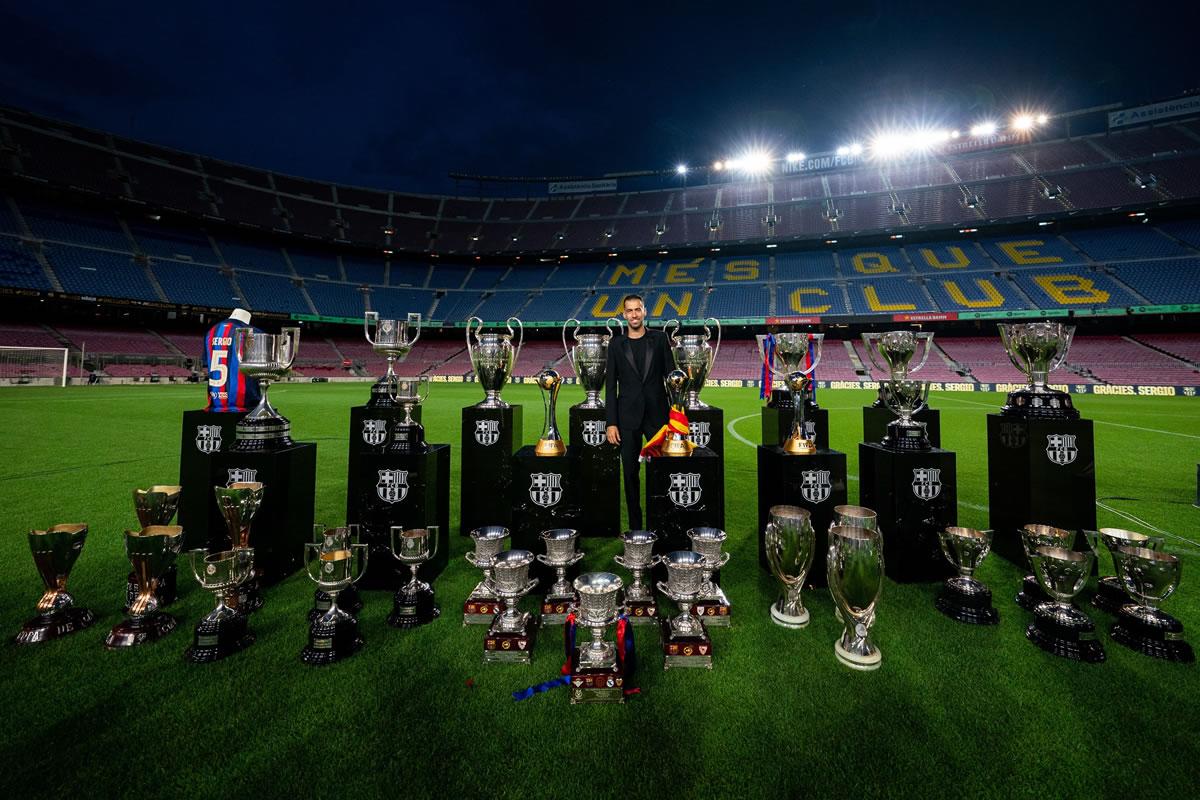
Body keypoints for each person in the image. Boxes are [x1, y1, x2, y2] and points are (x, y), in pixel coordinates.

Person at [604, 294, 674, 530]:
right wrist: (611, 422)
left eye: (638, 309)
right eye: (629, 311)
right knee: (630, 475)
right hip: (627, 419)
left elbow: (672, 379)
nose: (634, 314)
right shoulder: (615, 345)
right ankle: (635, 528)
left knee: (660, 473)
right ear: (624, 315)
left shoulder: (661, 339)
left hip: (658, 418)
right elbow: (610, 385)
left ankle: (660, 524)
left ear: (645, 312)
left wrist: (676, 420)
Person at [203, 308, 261, 412]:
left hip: (215, 404)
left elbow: (207, 364)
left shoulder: (211, 332)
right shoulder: (254, 333)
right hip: (246, 405)